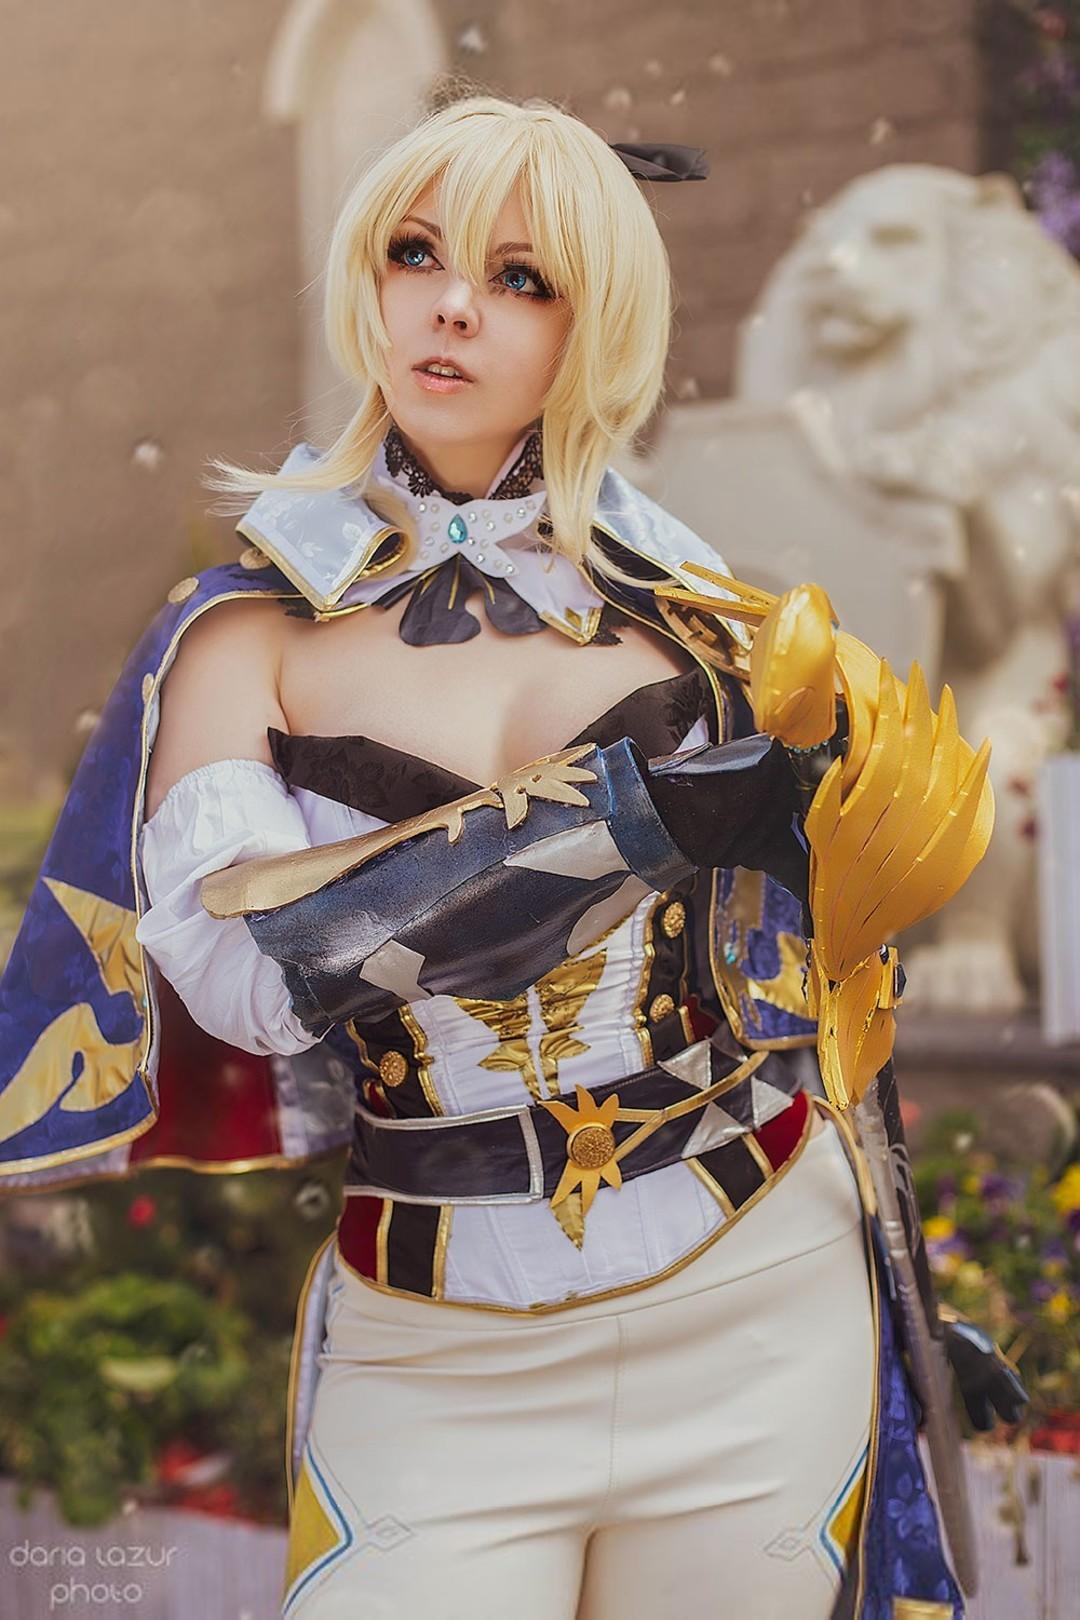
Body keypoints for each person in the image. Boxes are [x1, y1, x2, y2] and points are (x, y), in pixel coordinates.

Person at [0, 93, 1019, 1620]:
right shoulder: (244, 634)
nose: (454, 305)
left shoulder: (706, 621)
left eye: (521, 276)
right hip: (435, 1335)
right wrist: (620, 825)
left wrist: (911, 1309)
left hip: (758, 1289)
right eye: (415, 254)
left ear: (595, 322)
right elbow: (257, 981)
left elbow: (819, 988)